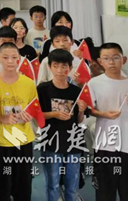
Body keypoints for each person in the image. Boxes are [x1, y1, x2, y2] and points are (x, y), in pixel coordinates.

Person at [37, 49, 87, 201]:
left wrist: (81, 110)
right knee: (53, 184)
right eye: (56, 66)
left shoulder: (76, 91)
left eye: (64, 66)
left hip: (73, 142)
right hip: (51, 141)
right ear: (50, 67)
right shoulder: (42, 89)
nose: (60, 70)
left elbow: (78, 120)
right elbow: (37, 116)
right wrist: (54, 114)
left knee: (72, 185)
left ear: (70, 68)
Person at [90, 43, 128, 201]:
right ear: (100, 61)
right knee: (105, 193)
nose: (111, 62)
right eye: (106, 58)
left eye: (116, 57)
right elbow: (89, 109)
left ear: (124, 59)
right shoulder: (94, 83)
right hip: (105, 145)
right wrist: (103, 114)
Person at [0, 42, 37, 201]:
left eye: (14, 57)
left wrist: (28, 115)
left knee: (23, 183)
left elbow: (34, 108)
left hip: (23, 139)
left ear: (19, 58)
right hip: (1, 140)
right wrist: (2, 118)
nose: (10, 61)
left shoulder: (28, 83)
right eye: (5, 57)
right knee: (2, 183)